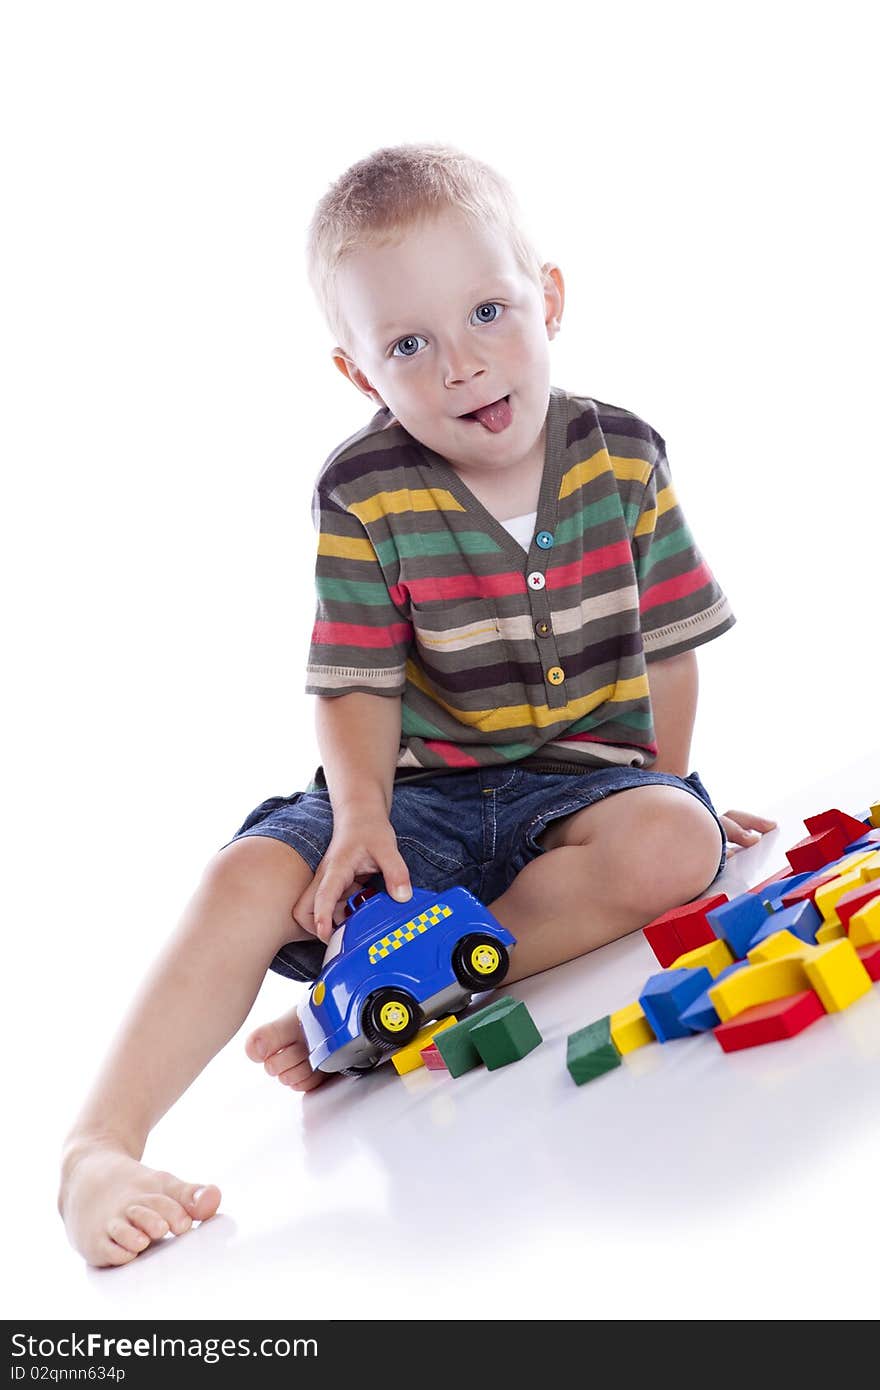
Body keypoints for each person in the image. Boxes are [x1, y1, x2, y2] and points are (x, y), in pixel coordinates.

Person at [58, 142, 776, 1267]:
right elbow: (353, 680)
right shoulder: (364, 492)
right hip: (414, 801)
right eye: (409, 344)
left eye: (489, 312)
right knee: (247, 874)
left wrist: (662, 782)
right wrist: (357, 822)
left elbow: (671, 647)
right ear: (358, 373)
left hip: (576, 794)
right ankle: (99, 1143)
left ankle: (381, 1007)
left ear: (546, 299)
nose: (461, 365)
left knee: (671, 841)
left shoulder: (624, 454)